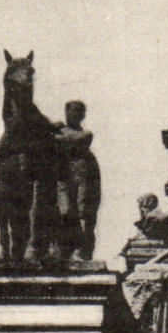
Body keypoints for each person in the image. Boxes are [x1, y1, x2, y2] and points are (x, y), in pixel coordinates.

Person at [54, 101, 100, 261]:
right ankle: (61, 250)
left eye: (79, 111)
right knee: (63, 212)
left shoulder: (86, 134)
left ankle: (80, 250)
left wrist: (53, 130)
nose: (75, 114)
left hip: (82, 175)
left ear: (83, 115)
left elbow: (73, 141)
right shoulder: (59, 132)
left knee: (83, 212)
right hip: (62, 177)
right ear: (65, 112)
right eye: (72, 110)